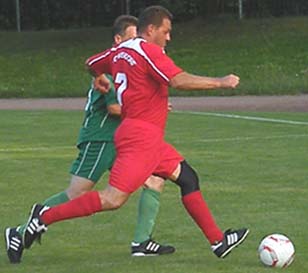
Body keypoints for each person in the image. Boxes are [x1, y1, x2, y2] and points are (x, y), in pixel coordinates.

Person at [21, 5, 249, 260]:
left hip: (146, 137)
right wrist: (221, 82)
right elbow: (177, 80)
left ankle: (218, 241)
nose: (169, 37)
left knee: (188, 178)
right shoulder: (148, 51)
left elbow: (91, 63)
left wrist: (98, 76)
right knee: (113, 199)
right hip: (141, 138)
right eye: (166, 31)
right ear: (150, 30)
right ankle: (42, 218)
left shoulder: (121, 50)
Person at [4, 14, 175, 264]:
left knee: (154, 180)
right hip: (101, 140)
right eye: (131, 37)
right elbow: (115, 108)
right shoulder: (115, 66)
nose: (138, 42)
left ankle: (142, 241)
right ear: (118, 39)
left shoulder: (127, 63)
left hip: (123, 142)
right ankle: (21, 230)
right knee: (76, 193)